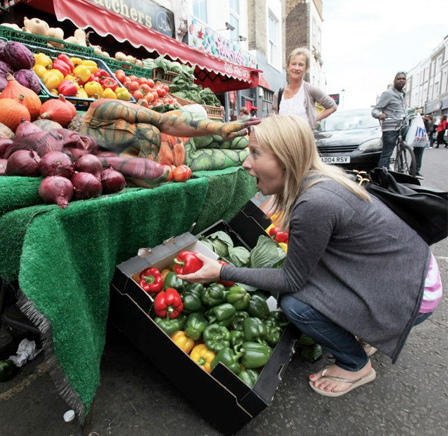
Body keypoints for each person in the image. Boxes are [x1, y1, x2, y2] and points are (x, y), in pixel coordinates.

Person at [178, 114, 442, 397]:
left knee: (296, 304)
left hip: (414, 294)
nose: (245, 162)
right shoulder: (320, 181)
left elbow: (291, 280)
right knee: (312, 286)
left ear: (285, 157)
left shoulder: (314, 202)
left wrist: (222, 271)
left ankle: (356, 365)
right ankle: (370, 329)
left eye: (255, 153)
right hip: (409, 276)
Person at [271, 47, 337, 129]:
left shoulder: (310, 90)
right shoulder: (279, 94)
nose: (296, 68)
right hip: (283, 140)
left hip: (304, 139)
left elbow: (332, 106)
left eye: (301, 64)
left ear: (306, 68)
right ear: (288, 66)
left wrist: (312, 119)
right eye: (293, 64)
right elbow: (273, 118)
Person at [372, 72, 407, 169]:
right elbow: (375, 110)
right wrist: (379, 115)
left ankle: (415, 169)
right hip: (390, 127)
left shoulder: (404, 94)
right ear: (394, 81)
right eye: (399, 78)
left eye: (403, 79)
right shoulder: (388, 94)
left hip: (402, 124)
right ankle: (382, 176)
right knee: (387, 153)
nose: (401, 80)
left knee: (419, 140)